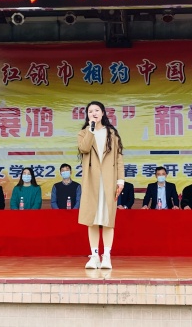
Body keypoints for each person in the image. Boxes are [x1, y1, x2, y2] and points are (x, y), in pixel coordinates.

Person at [77, 101, 125, 270]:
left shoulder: (112, 133)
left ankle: (107, 256)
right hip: (92, 181)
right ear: (87, 115)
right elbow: (84, 148)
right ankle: (94, 255)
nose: (94, 113)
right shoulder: (84, 132)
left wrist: (120, 180)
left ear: (103, 113)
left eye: (97, 110)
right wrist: (91, 130)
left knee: (107, 220)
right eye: (90, 111)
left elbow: (119, 158)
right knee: (92, 219)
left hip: (108, 181)